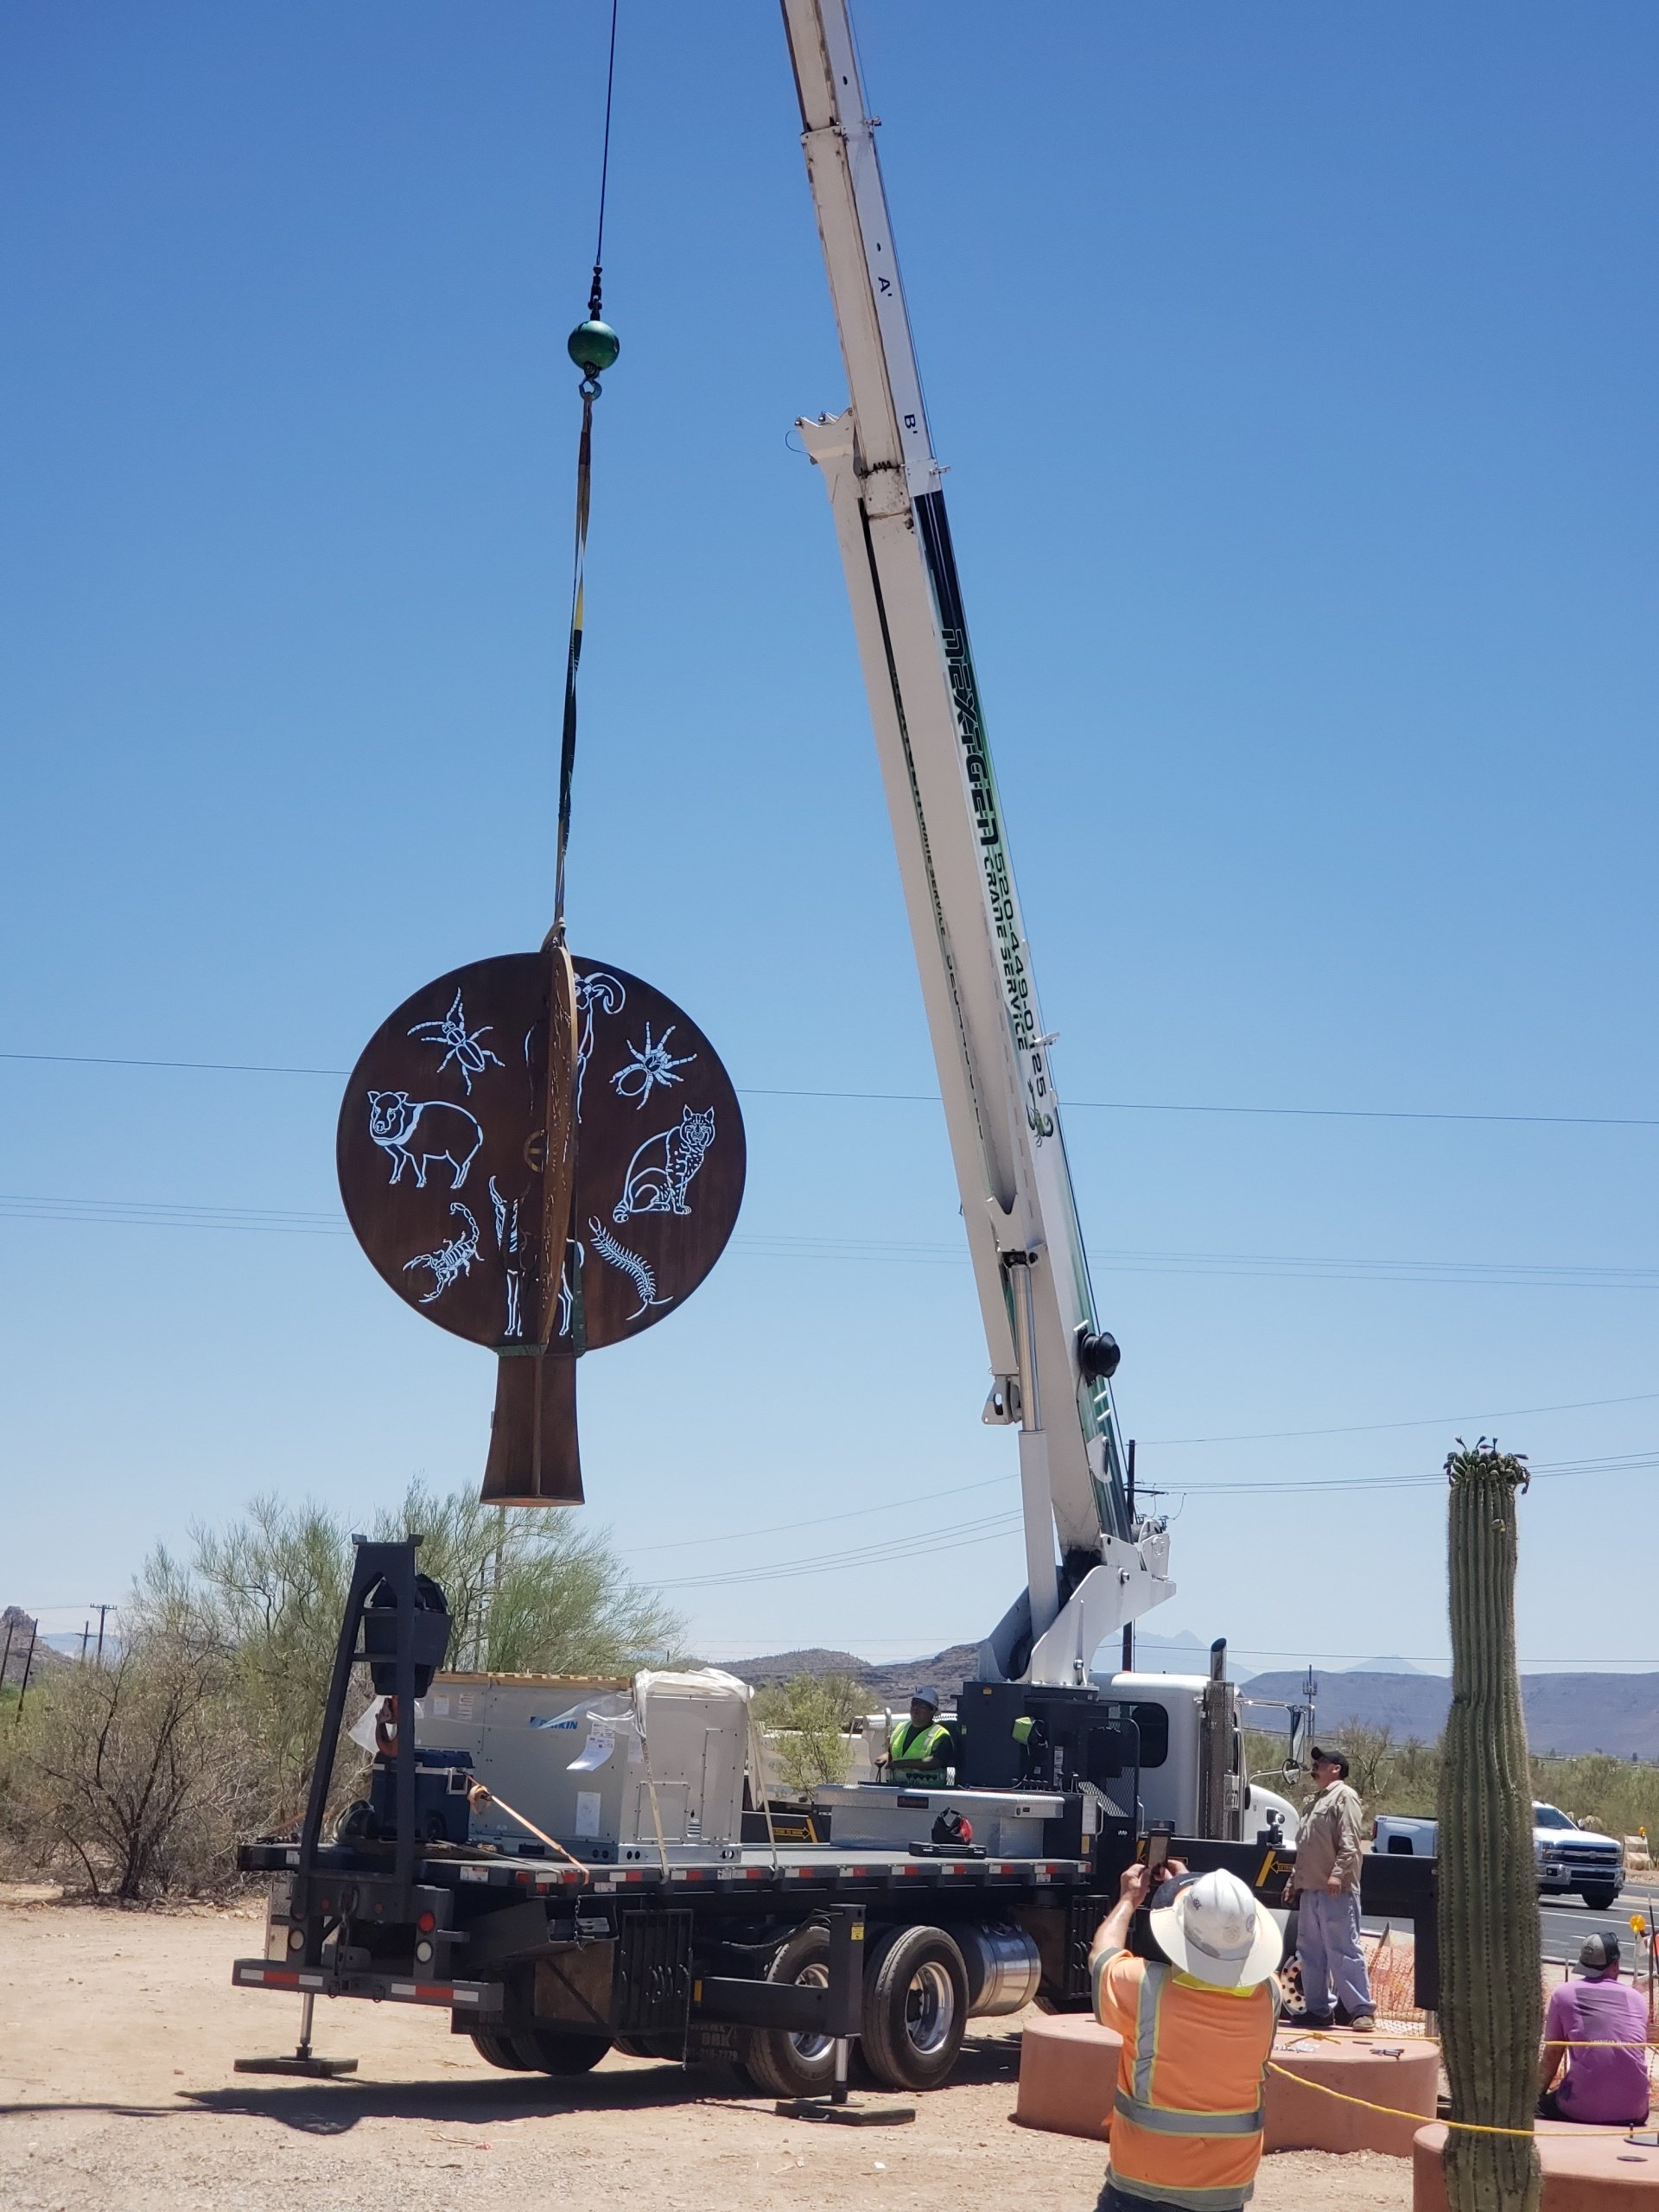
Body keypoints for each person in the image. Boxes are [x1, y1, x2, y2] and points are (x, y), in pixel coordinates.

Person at [1088, 1859, 1281, 2212]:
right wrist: (1190, 1892)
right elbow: (1223, 1935)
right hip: (1224, 2190)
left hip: (1141, 2185)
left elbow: (1102, 1956)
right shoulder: (1269, 1995)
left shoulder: (1146, 1988)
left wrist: (1130, 1899)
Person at [1288, 1745, 1376, 2032]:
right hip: (1311, 1888)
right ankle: (1318, 2010)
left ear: (1336, 1769)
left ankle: (1361, 2010)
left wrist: (1338, 1875)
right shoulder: (1314, 1802)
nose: (1315, 1768)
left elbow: (1350, 1840)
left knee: (1343, 1949)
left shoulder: (1344, 1797)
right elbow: (1306, 1848)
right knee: (1311, 1952)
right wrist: (1294, 1880)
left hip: (1335, 1890)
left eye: (1321, 1763)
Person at [1538, 1932, 1651, 2126]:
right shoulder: (1636, 1999)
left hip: (1581, 2108)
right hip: (1635, 2110)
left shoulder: (1564, 1994)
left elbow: (1553, 2054)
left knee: (1545, 2103)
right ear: (1615, 1964)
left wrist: (1534, 2098)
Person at [884, 1687, 955, 1785]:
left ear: (933, 1711)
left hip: (928, 1791)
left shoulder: (941, 1734)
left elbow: (936, 1761)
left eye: (922, 1706)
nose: (915, 1708)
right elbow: (890, 1752)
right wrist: (885, 1757)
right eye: (914, 1703)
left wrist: (903, 1764)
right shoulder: (900, 1728)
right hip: (897, 1786)